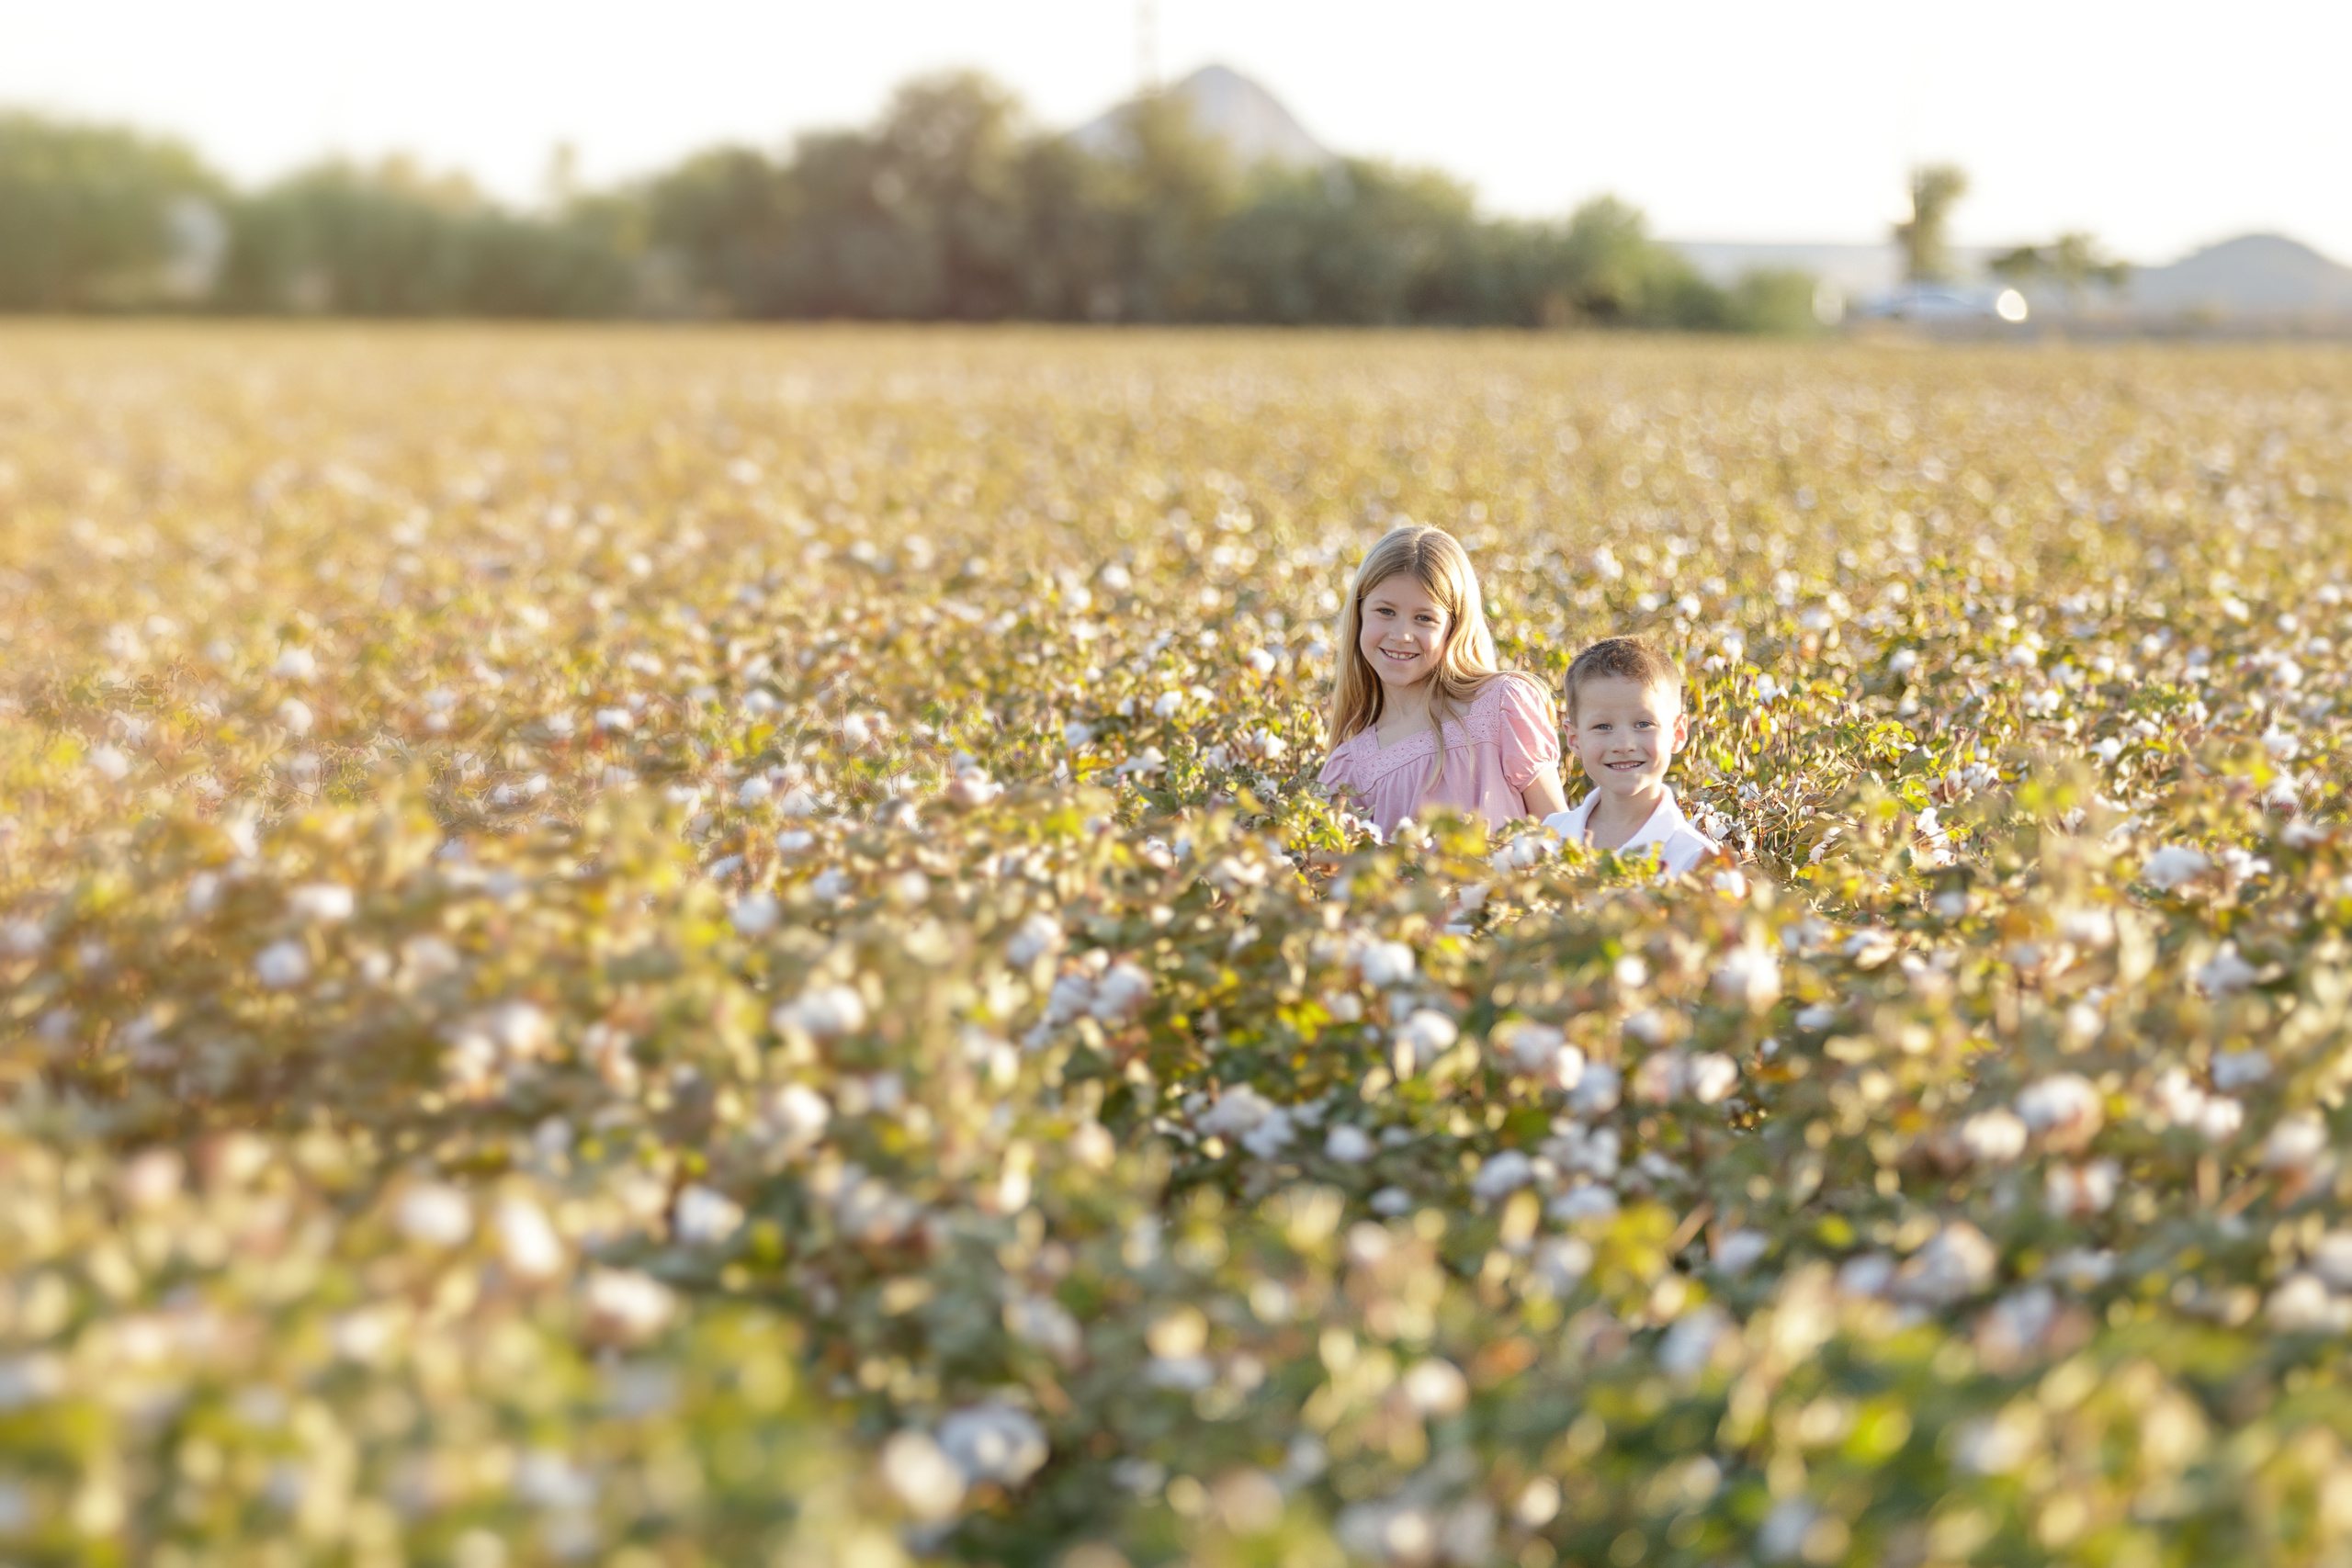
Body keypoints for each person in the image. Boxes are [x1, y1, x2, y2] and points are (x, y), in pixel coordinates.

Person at [1317, 525, 1567, 836]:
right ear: (1359, 614)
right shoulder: (1350, 768)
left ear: (1455, 626)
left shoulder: (1501, 705)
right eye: (1385, 611)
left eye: (1424, 618)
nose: (1401, 635)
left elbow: (1559, 835)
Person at [1544, 635, 1718, 874]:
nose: (1623, 744)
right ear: (1574, 739)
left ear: (1677, 733)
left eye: (1643, 724)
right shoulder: (1548, 837)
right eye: (1603, 726)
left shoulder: (1697, 860)